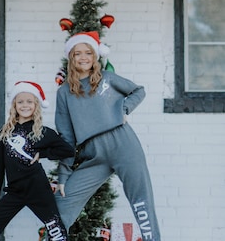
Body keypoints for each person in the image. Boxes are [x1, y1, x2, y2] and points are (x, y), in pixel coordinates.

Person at [54, 31, 161, 241]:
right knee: (61, 204)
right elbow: (65, 137)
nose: (83, 57)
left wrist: (124, 109)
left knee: (141, 202)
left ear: (95, 57)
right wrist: (64, 175)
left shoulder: (108, 79)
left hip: (124, 146)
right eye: (78, 53)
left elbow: (138, 91)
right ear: (71, 58)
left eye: (88, 53)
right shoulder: (64, 92)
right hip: (94, 155)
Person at [0, 81, 75, 241]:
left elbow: (68, 150)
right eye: (20, 102)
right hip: (15, 191)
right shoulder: (4, 134)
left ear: (36, 105)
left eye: (29, 101)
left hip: (38, 190)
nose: (25, 105)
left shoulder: (43, 132)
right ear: (14, 105)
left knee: (57, 233)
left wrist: (42, 153)